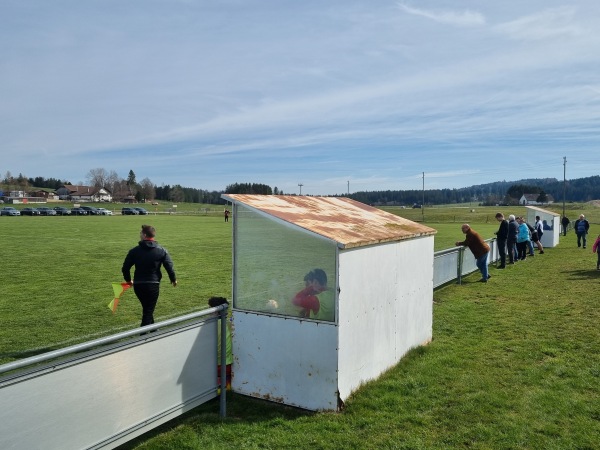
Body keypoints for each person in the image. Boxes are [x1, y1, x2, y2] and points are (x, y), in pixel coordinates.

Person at [122, 224, 177, 328]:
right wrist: (173, 279)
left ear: (144, 235)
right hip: (153, 285)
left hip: (138, 285)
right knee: (148, 311)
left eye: (140, 233)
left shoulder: (134, 251)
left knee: (147, 309)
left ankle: (153, 330)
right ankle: (142, 336)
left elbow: (125, 268)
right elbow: (169, 266)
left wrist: (128, 280)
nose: (139, 234)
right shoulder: (162, 250)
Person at [208, 296, 233, 390]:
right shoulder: (230, 323)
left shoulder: (208, 326)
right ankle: (226, 385)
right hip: (229, 366)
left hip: (214, 367)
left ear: (215, 311)